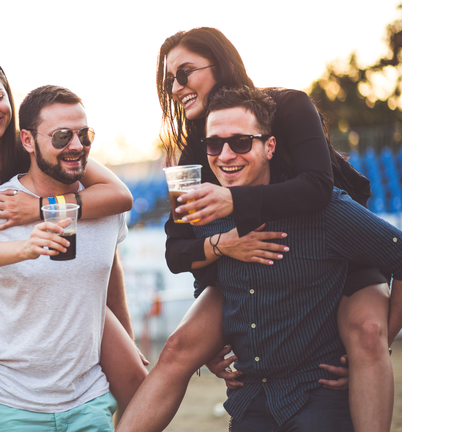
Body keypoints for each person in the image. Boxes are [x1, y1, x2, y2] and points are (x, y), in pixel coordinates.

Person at [117, 28, 400, 432]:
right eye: (169, 81)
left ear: (222, 64)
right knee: (179, 346)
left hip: (334, 248)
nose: (176, 87)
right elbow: (185, 245)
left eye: (184, 73)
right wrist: (214, 324)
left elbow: (317, 188)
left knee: (368, 334)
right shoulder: (198, 147)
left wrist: (233, 201)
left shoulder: (287, 105)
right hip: (251, 256)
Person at [0, 53, 147, 431]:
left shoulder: (45, 147)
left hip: (53, 285)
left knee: (136, 373)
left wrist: (39, 207)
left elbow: (119, 198)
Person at [0, 84, 128, 431]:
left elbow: (109, 270)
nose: (77, 146)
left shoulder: (107, 207)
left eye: (85, 135)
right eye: (62, 136)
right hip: (10, 406)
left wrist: (125, 341)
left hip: (89, 402)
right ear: (27, 140)